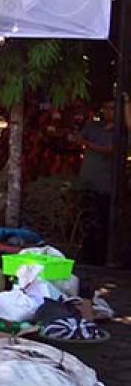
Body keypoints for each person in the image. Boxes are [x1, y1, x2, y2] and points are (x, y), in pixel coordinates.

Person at [74, 100, 116, 265]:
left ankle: (101, 257)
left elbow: (110, 150)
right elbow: (78, 138)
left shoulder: (120, 131)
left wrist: (87, 144)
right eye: (106, 107)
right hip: (88, 180)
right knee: (86, 219)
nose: (108, 111)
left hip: (106, 184)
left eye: (112, 108)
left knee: (102, 221)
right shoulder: (93, 126)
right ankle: (86, 254)